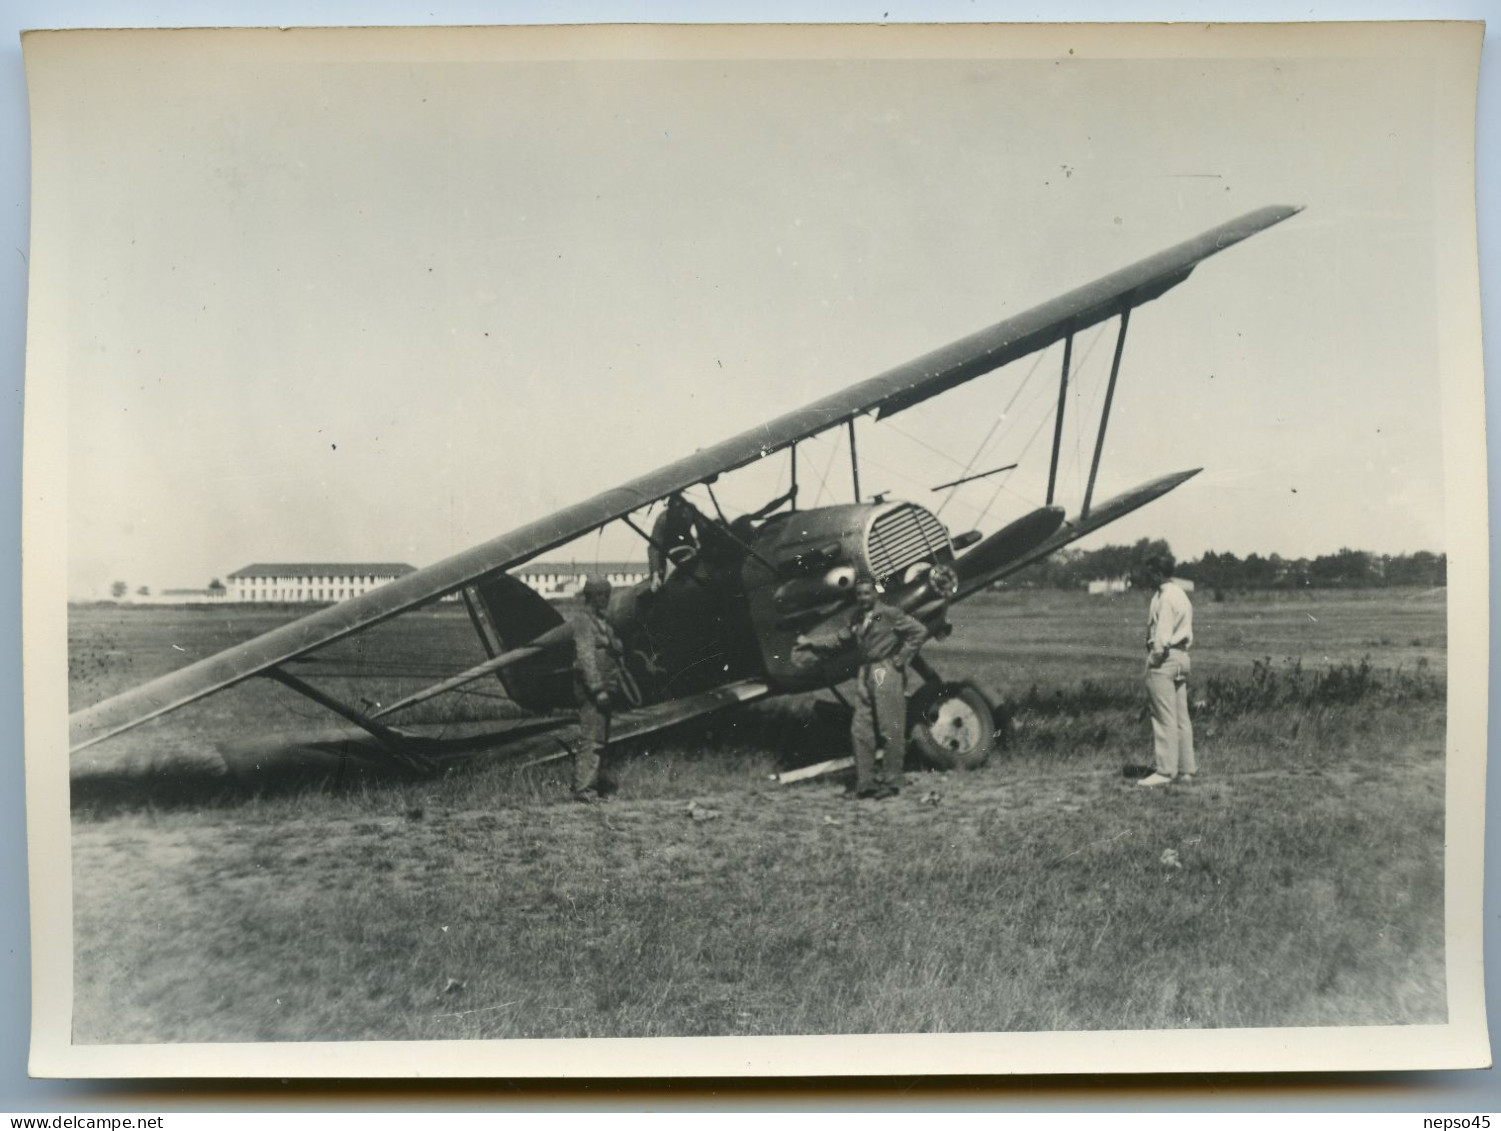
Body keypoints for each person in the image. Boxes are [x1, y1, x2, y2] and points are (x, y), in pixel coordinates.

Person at [794, 576, 928, 800]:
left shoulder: (889, 614)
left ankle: (892, 781)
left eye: (867, 593)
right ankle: (865, 783)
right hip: (865, 672)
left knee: (889, 728)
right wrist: (811, 642)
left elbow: (919, 631)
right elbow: (840, 639)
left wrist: (901, 658)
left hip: (884, 670)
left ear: (875, 594)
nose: (863, 598)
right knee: (860, 729)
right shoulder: (857, 617)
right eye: (859, 594)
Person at [1137, 552, 1197, 787]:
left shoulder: (1165, 598)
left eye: (1150, 573)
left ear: (1158, 572)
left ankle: (1165, 771)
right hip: (1182, 657)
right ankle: (1186, 770)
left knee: (1163, 717)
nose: (1147, 577)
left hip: (1165, 658)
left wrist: (1154, 658)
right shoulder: (1180, 594)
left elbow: (1162, 633)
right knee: (1182, 717)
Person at [570, 574, 625, 802]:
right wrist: (597, 688)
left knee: (599, 738)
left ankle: (591, 787)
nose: (605, 599)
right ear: (590, 596)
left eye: (607, 594)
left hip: (606, 686)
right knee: (591, 739)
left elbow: (616, 648)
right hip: (594, 690)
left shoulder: (603, 622)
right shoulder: (584, 622)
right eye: (600, 595)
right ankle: (585, 790)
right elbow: (586, 659)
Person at [648, 493, 706, 590]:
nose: (681, 513)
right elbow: (654, 547)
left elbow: (702, 530)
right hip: (669, 556)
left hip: (690, 551)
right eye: (676, 509)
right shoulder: (662, 519)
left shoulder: (690, 511)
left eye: (682, 508)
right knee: (661, 587)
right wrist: (655, 574)